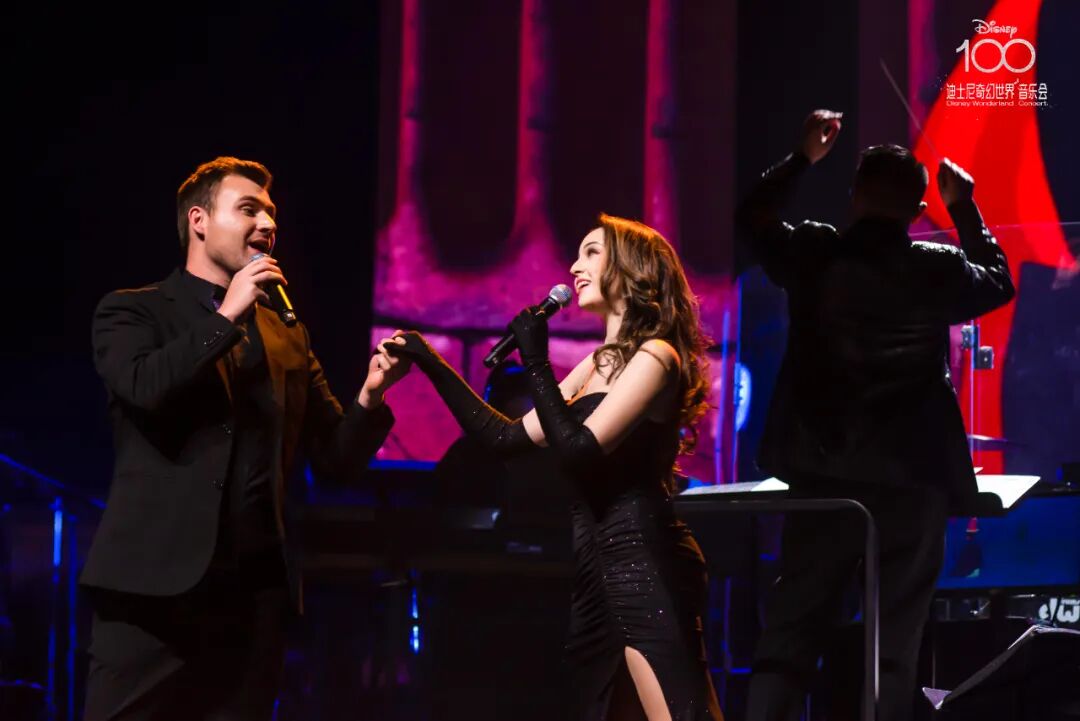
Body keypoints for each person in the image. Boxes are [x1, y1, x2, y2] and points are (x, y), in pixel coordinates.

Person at [81, 156, 409, 721]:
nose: (267, 224)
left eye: (272, 213)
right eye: (249, 209)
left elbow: (336, 460)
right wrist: (228, 313)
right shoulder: (134, 310)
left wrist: (371, 396)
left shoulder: (287, 335)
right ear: (199, 221)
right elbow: (144, 387)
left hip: (253, 599)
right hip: (151, 592)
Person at [383, 214, 723, 720]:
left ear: (631, 268)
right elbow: (506, 438)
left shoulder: (656, 357)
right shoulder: (596, 364)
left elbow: (580, 450)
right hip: (595, 566)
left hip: (644, 562)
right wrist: (431, 362)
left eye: (591, 253)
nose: (574, 267)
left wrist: (537, 361)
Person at [737, 111, 1015, 721]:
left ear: (855, 194)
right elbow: (998, 281)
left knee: (792, 630)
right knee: (896, 641)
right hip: (912, 480)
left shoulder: (815, 252)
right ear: (918, 209)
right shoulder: (935, 266)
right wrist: (964, 207)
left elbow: (752, 217)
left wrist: (801, 158)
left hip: (824, 472)